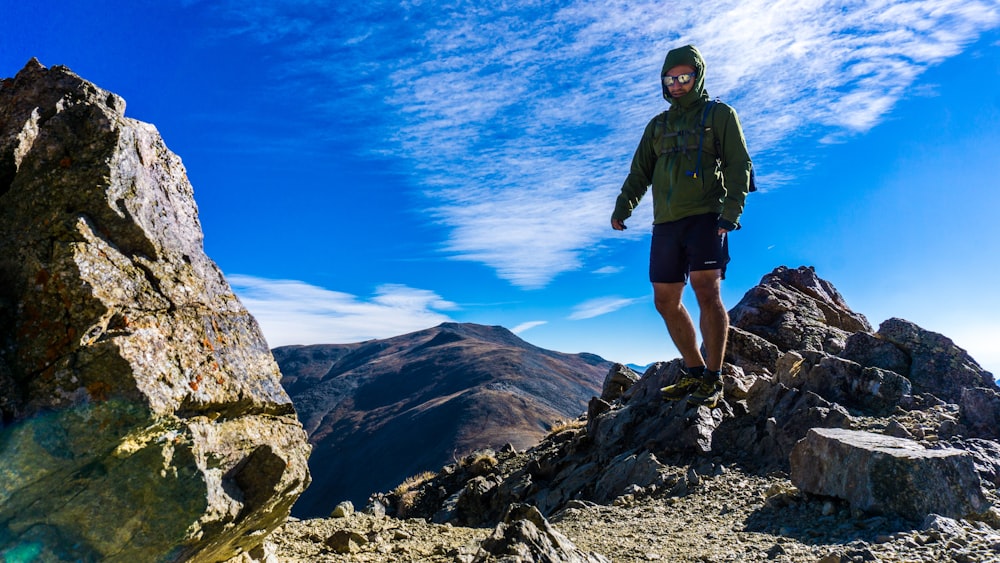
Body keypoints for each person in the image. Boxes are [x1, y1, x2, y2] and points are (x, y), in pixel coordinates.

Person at [611, 44, 752, 408]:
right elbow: (639, 171)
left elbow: (739, 165)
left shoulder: (718, 114)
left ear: (698, 75)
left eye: (684, 77)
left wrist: (731, 213)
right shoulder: (658, 126)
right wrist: (623, 207)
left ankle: (714, 378)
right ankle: (693, 371)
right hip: (666, 223)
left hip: (707, 216)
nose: (677, 84)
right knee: (665, 300)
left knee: (707, 292)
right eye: (670, 78)